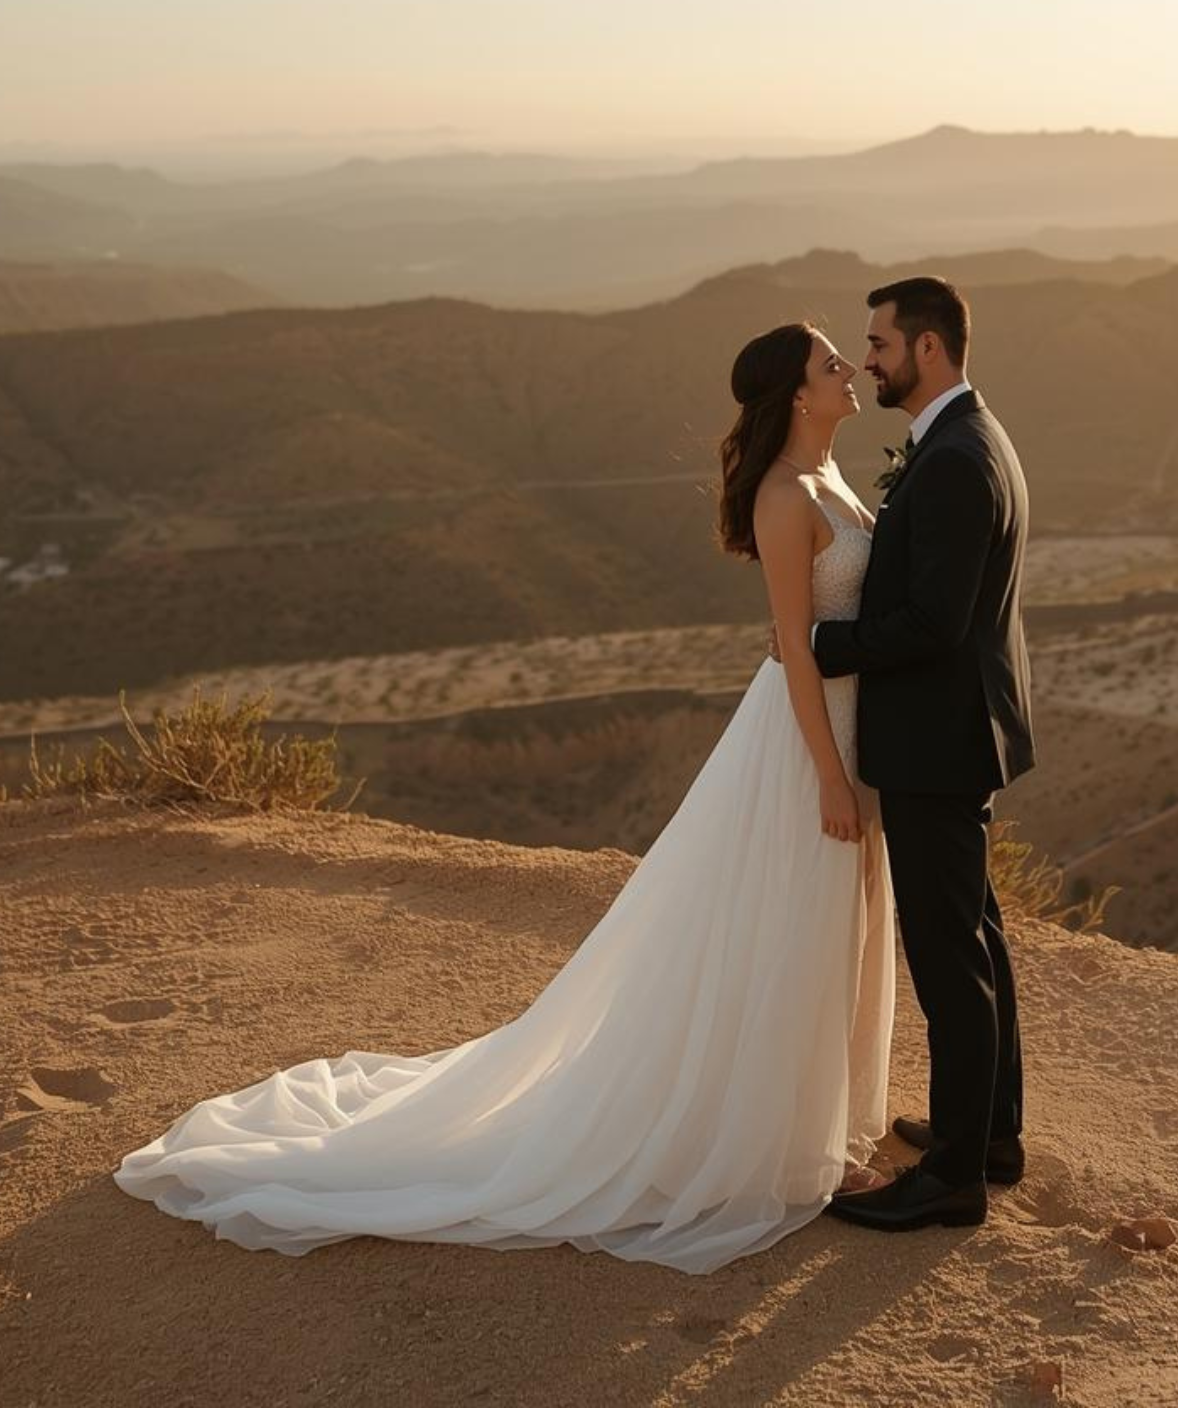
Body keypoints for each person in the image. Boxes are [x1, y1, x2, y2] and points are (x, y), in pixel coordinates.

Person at [112, 324, 895, 1274]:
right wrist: (825, 771)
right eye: (828, 362)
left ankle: (814, 1126)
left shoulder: (836, 479)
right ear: (794, 392)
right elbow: (795, 647)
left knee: (839, 927)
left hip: (854, 731)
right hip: (807, 738)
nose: (846, 369)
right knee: (795, 928)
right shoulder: (785, 496)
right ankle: (778, 1143)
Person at [773, 276, 1033, 1233]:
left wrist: (826, 645)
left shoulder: (959, 457)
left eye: (878, 343)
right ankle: (991, 1133)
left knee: (949, 957)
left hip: (937, 741)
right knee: (978, 940)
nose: (868, 357)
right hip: (957, 732)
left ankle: (955, 1178)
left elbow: (934, 620)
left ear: (927, 348)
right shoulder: (968, 438)